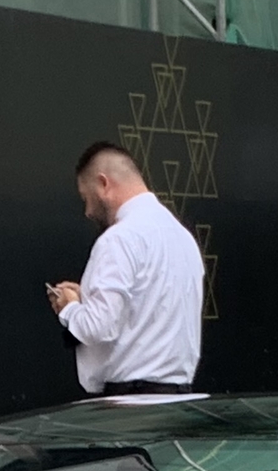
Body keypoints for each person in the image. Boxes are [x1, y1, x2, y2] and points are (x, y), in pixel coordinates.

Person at [48, 142, 205, 396]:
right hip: (179, 400)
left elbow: (98, 327)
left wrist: (69, 307)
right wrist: (88, 297)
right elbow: (146, 310)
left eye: (85, 198)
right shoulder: (183, 238)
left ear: (103, 184)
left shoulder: (119, 239)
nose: (87, 212)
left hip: (130, 406)